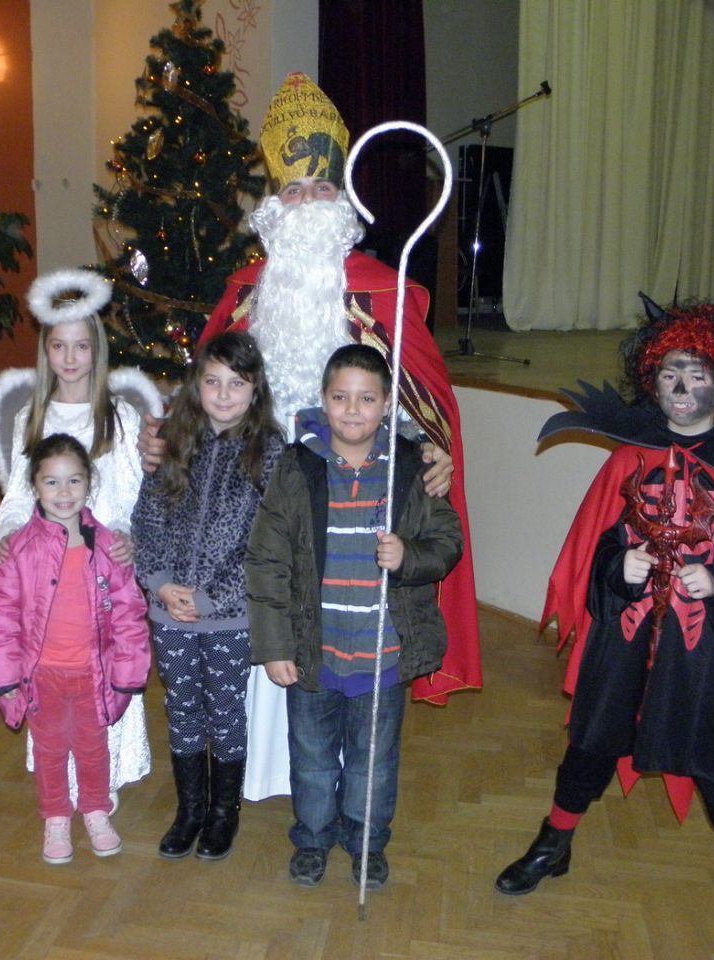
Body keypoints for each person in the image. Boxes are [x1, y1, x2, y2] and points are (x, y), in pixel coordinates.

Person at [140, 72, 481, 802]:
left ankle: (329, 783)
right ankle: (253, 774)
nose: (307, 202)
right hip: (244, 513)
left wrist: (432, 451)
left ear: (340, 201)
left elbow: (422, 398)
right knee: (259, 603)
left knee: (336, 634)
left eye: (320, 188)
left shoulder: (382, 290)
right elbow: (205, 387)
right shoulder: (245, 291)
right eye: (293, 191)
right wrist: (166, 436)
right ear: (274, 205)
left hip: (347, 511)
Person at [494, 295, 714, 960]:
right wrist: (619, 565)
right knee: (589, 746)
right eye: (670, 373)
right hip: (627, 638)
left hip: (707, 654)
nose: (681, 388)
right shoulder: (629, 460)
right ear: (652, 380)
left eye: (697, 375)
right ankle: (554, 842)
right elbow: (592, 550)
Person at [246, 344, 465, 889]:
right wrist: (275, 645)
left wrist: (409, 556)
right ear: (323, 400)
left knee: (374, 764)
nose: (352, 410)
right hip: (313, 653)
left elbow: (447, 541)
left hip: (380, 654)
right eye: (341, 397)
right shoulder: (296, 467)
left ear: (387, 404)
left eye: (367, 399)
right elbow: (267, 559)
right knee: (313, 761)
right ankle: (313, 838)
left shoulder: (413, 468)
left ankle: (367, 840)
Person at [0, 268, 162, 811]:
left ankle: (105, 779)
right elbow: (20, 491)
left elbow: (129, 494)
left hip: (100, 570)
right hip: (48, 572)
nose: (69, 357)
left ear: (96, 350)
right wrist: (10, 533)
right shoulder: (33, 418)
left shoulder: (118, 417)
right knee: (54, 665)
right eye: (59, 346)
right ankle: (59, 783)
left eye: (81, 346)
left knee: (102, 665)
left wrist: (124, 536)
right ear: (45, 351)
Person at [131, 330, 285, 861]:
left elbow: (265, 544)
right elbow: (148, 519)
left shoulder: (270, 453)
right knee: (182, 708)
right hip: (168, 611)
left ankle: (223, 814)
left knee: (225, 711)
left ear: (255, 389)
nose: (223, 394)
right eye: (213, 381)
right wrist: (160, 583)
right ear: (196, 384)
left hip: (228, 617)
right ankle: (190, 810)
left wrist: (212, 597)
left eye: (236, 383)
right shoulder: (175, 441)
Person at [0, 434, 152, 864]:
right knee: (50, 749)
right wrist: (3, 678)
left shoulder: (109, 547)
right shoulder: (19, 549)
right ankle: (55, 817)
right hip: (42, 676)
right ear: (34, 486)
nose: (64, 492)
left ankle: (96, 811)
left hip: (93, 673)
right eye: (51, 482)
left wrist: (127, 674)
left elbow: (129, 613)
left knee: (93, 747)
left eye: (74, 480)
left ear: (89, 483)